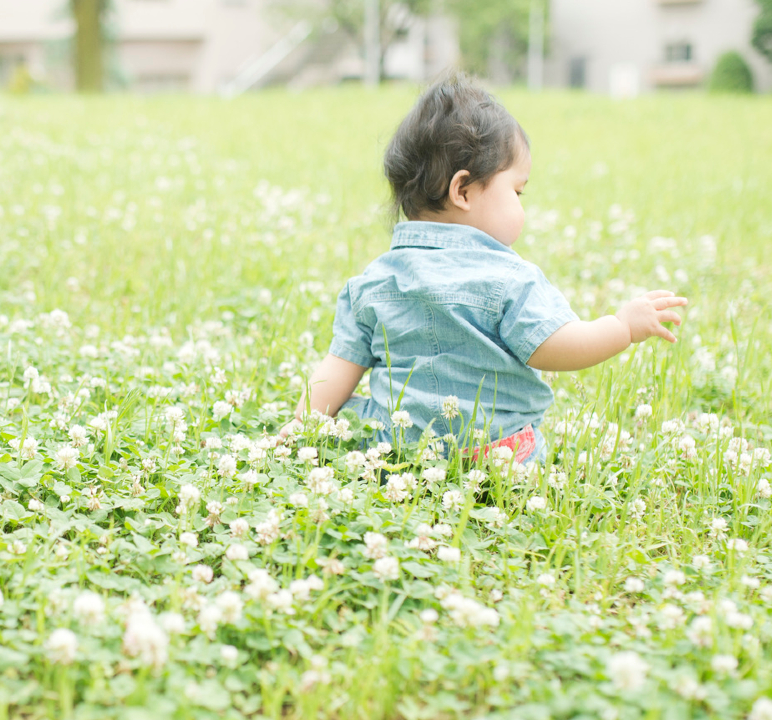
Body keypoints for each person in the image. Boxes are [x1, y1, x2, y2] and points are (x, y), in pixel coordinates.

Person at [294, 74, 687, 465]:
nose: (521, 206)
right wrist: (622, 327)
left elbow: (337, 368)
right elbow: (554, 345)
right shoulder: (508, 278)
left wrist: (301, 429)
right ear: (462, 191)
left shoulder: (374, 282)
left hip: (399, 453)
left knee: (349, 417)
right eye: (516, 191)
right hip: (496, 456)